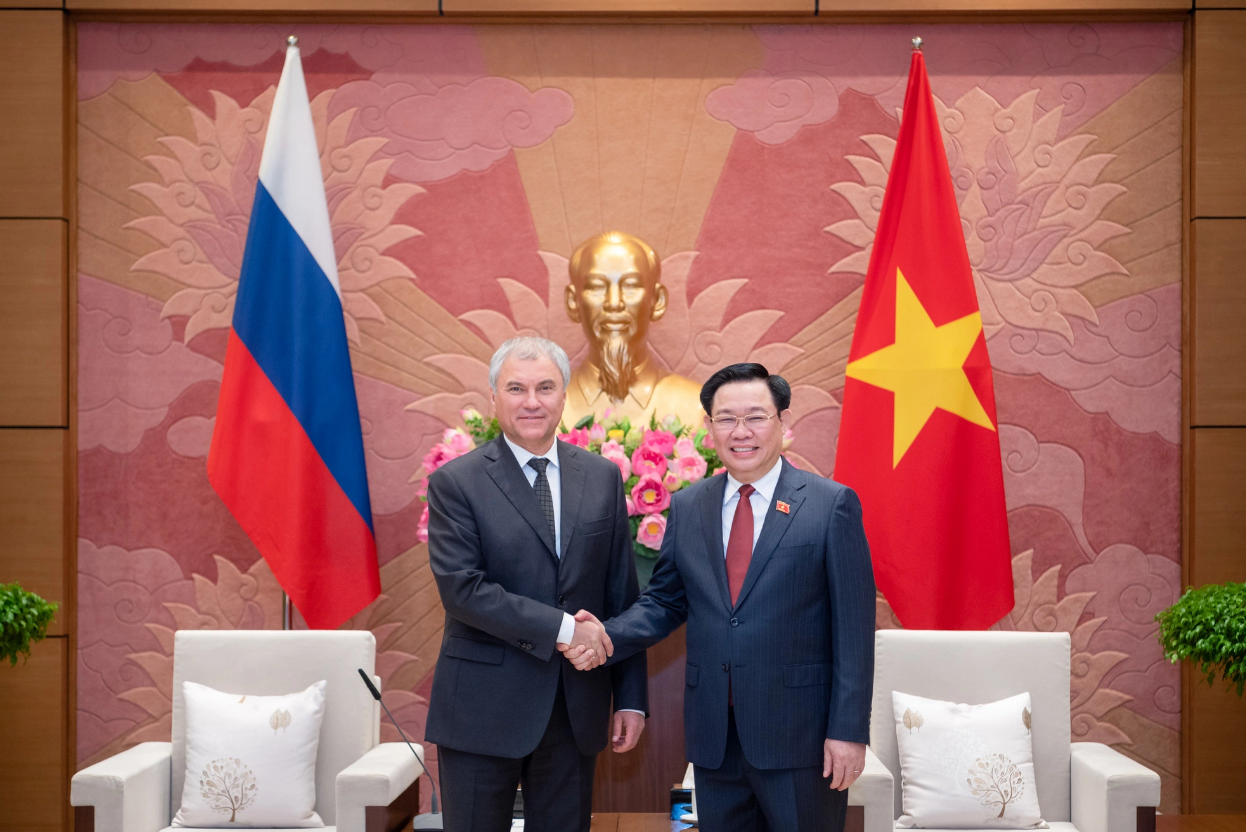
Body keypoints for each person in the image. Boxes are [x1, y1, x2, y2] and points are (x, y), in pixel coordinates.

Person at [564, 362, 876, 832]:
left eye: (756, 416)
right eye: (726, 418)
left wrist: (848, 732)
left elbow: (854, 631)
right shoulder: (691, 505)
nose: (741, 431)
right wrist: (604, 634)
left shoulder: (831, 505)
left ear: (783, 422)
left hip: (801, 739)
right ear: (709, 427)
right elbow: (665, 602)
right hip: (715, 737)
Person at [424, 336, 648, 832]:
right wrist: (567, 630)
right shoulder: (456, 483)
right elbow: (463, 590)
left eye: (545, 387)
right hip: (482, 710)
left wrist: (631, 696)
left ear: (565, 396)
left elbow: (620, 595)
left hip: (575, 710)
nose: (532, 401)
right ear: (494, 397)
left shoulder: (603, 476)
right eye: (517, 388)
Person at [561, 231, 704, 431]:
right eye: (596, 287)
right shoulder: (546, 411)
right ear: (573, 302)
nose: (613, 303)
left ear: (657, 301)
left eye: (630, 286)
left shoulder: (696, 407)